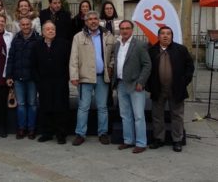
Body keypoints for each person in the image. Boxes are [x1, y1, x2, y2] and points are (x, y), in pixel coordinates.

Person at [70, 11, 115, 146]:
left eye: (95, 19)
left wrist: (111, 66)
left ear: (99, 20)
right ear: (86, 21)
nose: (93, 21)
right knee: (83, 107)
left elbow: (113, 54)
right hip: (85, 78)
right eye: (90, 19)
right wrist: (74, 76)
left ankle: (103, 133)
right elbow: (74, 58)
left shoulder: (108, 35)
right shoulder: (78, 37)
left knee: (102, 107)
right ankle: (80, 133)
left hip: (102, 77)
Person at [147, 26, 194, 152]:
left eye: (168, 33)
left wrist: (184, 82)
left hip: (176, 89)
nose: (165, 36)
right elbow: (146, 68)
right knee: (157, 115)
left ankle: (177, 140)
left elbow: (190, 67)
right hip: (158, 89)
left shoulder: (181, 50)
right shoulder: (152, 51)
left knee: (177, 115)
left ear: (172, 36)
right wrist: (149, 85)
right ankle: (159, 139)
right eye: (162, 33)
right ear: (158, 36)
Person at [112, 20, 151, 154]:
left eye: (127, 28)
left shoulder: (139, 45)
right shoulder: (117, 45)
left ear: (132, 30)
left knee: (139, 115)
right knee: (125, 115)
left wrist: (141, 81)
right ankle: (128, 140)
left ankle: (141, 143)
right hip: (121, 84)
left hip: (135, 85)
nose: (124, 31)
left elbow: (147, 65)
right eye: (122, 28)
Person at [32, 21, 70, 144]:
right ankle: (47, 133)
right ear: (43, 32)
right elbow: (34, 64)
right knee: (45, 107)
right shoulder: (37, 45)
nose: (50, 31)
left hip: (60, 82)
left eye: (52, 29)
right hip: (44, 82)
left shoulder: (64, 44)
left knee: (60, 108)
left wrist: (66, 77)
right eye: (47, 29)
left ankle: (61, 134)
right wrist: (38, 79)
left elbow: (69, 62)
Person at [6, 17, 41, 140]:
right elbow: (10, 58)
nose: (25, 27)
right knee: (21, 104)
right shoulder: (16, 40)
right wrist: (9, 75)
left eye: (27, 24)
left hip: (32, 78)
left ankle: (31, 129)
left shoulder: (37, 39)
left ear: (31, 25)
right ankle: (22, 128)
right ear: (20, 26)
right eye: (23, 25)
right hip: (18, 77)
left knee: (32, 104)